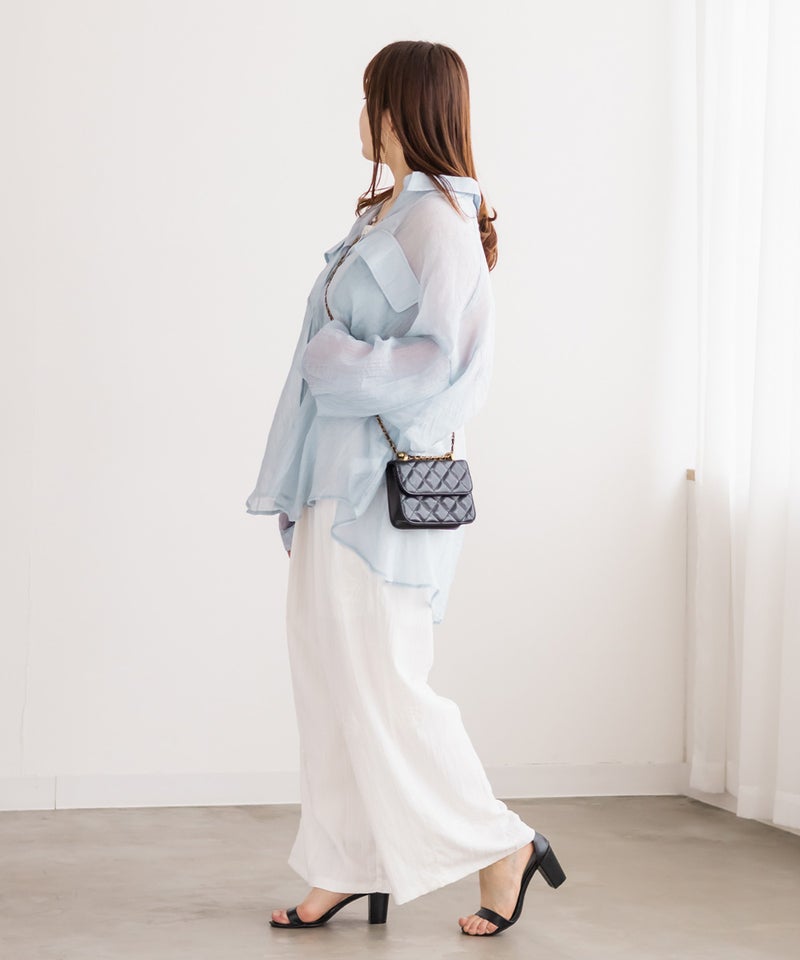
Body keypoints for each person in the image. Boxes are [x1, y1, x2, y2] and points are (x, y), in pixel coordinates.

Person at [245, 40, 565, 937]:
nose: (360, 114)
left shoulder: (440, 225)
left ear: (401, 110)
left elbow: (443, 367)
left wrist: (336, 364)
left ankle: (503, 843)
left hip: (381, 497)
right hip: (334, 483)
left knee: (385, 682)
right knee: (328, 677)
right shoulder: (388, 214)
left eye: (370, 97)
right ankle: (346, 861)